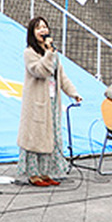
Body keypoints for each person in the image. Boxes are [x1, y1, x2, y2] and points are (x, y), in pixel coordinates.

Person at [17, 17, 82, 187]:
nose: (42, 30)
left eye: (44, 27)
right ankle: (33, 174)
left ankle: (45, 172)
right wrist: (48, 53)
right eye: (38, 28)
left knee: (50, 136)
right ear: (32, 33)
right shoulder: (29, 52)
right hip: (36, 102)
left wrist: (73, 93)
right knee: (35, 137)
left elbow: (61, 76)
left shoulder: (52, 53)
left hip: (52, 101)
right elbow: (41, 71)